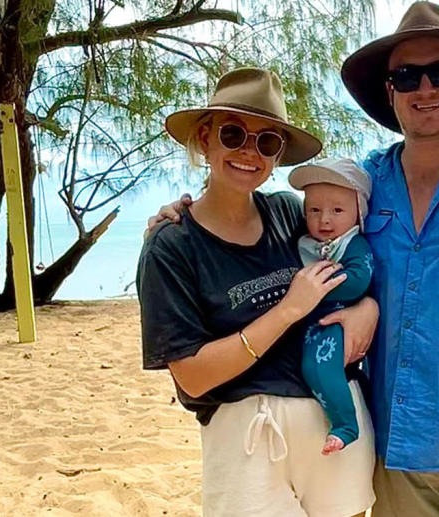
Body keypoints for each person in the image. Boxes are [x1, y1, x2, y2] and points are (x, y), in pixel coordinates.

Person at [149, 3, 439, 515]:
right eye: (407, 76)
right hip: (391, 452)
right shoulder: (360, 186)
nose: (425, 89)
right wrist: (183, 210)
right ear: (390, 91)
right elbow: (296, 223)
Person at [137, 67, 377, 517]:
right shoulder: (172, 246)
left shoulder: (292, 216)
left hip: (332, 419)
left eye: (267, 142)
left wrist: (368, 309)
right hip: (245, 436)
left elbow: (360, 257)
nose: (250, 152)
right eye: (233, 134)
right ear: (205, 138)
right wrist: (287, 311)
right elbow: (192, 375)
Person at [288, 158, 374, 455]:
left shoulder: (353, 244)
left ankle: (345, 425)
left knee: (319, 367)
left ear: (358, 213)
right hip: (306, 321)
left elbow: (359, 280)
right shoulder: (303, 242)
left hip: (335, 320)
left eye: (337, 210)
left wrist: (310, 290)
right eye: (314, 210)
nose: (324, 220)